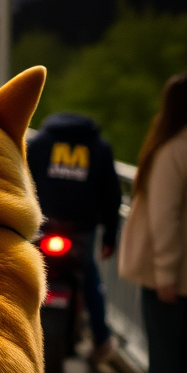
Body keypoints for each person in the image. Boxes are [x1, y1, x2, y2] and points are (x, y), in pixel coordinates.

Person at [119, 73, 187, 373]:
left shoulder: (173, 151)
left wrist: (164, 272)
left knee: (165, 365)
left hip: (173, 281)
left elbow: (166, 219)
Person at [27, 110, 122, 359]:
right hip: (81, 229)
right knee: (89, 276)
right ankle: (102, 340)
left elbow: (22, 181)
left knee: (26, 273)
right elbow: (112, 195)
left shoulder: (39, 143)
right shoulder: (99, 147)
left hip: (42, 226)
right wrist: (110, 236)